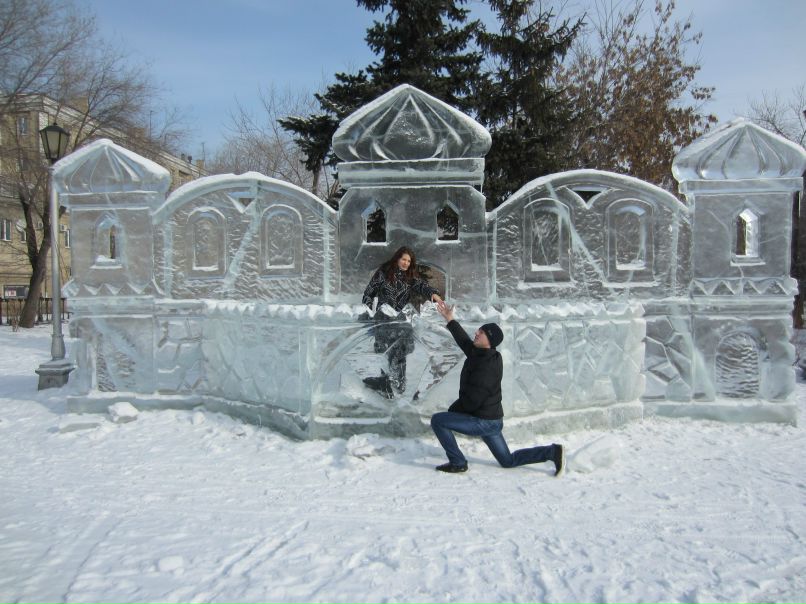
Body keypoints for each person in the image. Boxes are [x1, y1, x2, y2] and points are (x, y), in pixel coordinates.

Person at [430, 300, 565, 475]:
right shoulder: (482, 353)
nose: (477, 332)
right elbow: (464, 341)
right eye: (479, 329)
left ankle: (458, 462)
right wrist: (450, 319)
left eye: (483, 332)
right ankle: (552, 452)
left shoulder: (487, 366)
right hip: (492, 420)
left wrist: (452, 412)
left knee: (438, 420)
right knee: (508, 461)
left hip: (484, 421)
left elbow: (472, 401)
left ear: (490, 340)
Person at [361, 246, 443, 398]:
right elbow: (369, 292)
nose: (406, 263)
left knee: (399, 350)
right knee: (385, 351)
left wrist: (433, 294)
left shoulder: (410, 277)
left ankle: (399, 383)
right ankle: (385, 384)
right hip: (383, 319)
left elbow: (422, 286)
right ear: (397, 258)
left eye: (409, 261)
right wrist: (368, 312)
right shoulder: (384, 273)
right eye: (403, 259)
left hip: (400, 321)